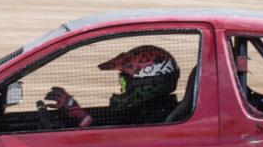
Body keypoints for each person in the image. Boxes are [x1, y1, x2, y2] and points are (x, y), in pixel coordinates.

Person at [41, 46, 183, 129]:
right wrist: (76, 111)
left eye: (124, 83)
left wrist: (79, 114)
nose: (122, 88)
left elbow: (108, 141)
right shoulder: (149, 109)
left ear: (148, 83)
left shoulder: (157, 120)